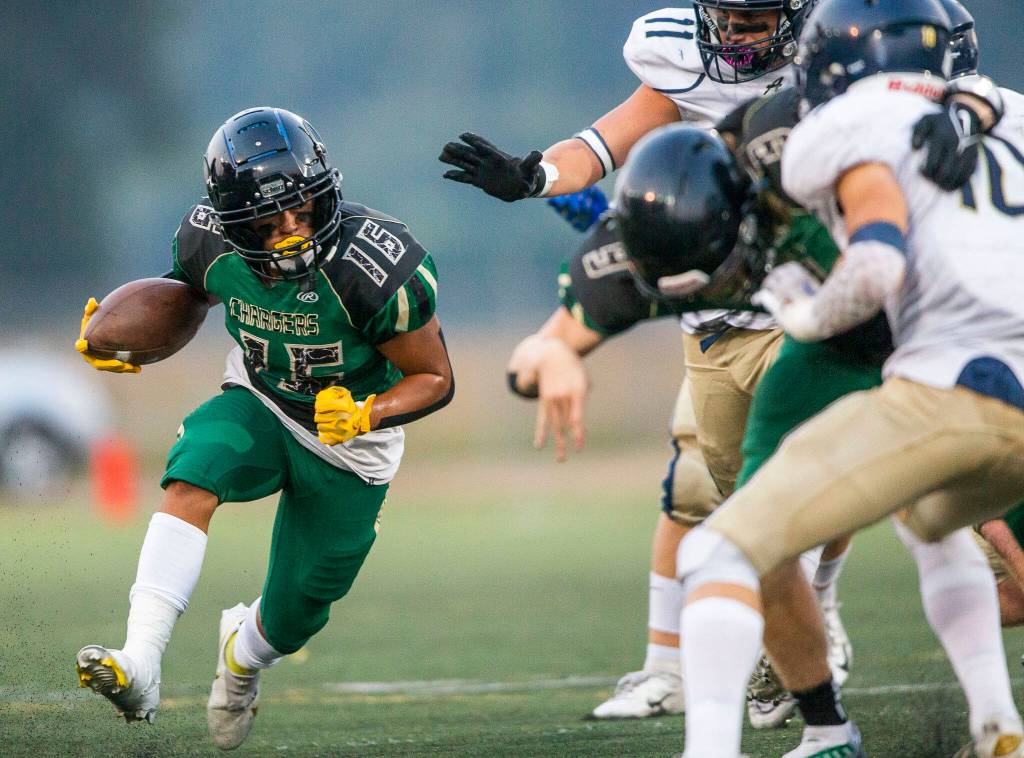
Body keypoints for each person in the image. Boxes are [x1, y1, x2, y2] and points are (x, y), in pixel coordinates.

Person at [444, 1, 854, 724]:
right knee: (730, 502)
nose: (734, 33)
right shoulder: (677, 58)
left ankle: (823, 619)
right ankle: (768, 654)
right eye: (724, 16)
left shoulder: (838, 51)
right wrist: (535, 176)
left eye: (754, 18)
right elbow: (601, 146)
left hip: (813, 295)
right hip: (714, 308)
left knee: (835, 472)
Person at [674, 0, 1024, 755]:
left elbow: (872, 266)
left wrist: (802, 313)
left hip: (951, 383)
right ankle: (998, 723)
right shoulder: (1008, 111)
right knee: (931, 521)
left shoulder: (835, 127)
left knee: (721, 552)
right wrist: (971, 101)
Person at [74, 107, 454, 751]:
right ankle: (140, 663)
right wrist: (123, 336)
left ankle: (243, 658)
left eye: (303, 210)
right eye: (268, 219)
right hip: (264, 402)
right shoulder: (208, 241)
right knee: (195, 467)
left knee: (296, 610)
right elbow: (183, 295)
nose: (291, 231)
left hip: (350, 446)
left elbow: (436, 377)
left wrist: (370, 411)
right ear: (231, 222)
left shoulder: (375, 267)